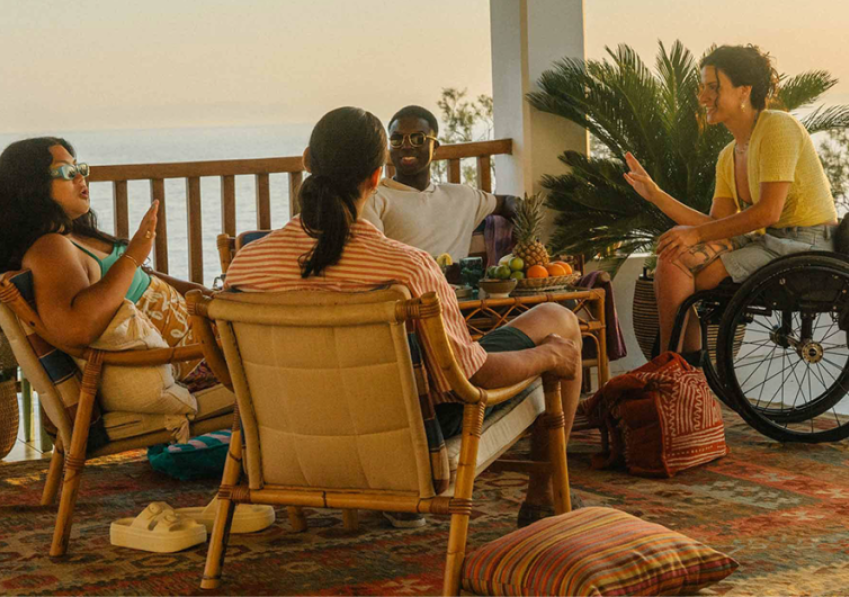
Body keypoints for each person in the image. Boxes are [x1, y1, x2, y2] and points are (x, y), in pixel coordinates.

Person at [224, 106, 581, 527]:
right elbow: (474, 376)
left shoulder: (247, 265)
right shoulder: (406, 269)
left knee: (549, 323)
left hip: (286, 443)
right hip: (401, 444)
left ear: (306, 161)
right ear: (378, 177)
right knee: (559, 321)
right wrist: (550, 358)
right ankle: (544, 497)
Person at [623, 45, 839, 357]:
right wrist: (656, 195)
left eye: (713, 87)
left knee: (703, 273)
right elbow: (716, 226)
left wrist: (695, 235)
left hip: (806, 243)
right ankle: (679, 366)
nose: (702, 98)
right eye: (702, 88)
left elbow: (767, 212)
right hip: (768, 242)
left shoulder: (778, 127)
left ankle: (672, 366)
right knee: (671, 259)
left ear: (743, 91)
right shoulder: (729, 155)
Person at [0, 137, 208, 379]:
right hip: (193, 362)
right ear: (32, 185)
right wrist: (132, 257)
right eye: (68, 171)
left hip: (202, 343)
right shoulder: (50, 249)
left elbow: (142, 280)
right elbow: (76, 328)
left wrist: (204, 296)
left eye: (79, 169)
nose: (80, 178)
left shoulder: (74, 234)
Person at [360, 105, 521, 263]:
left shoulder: (462, 196)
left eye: (418, 139)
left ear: (434, 147)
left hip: (456, 288)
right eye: (397, 139)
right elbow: (373, 260)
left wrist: (527, 236)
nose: (407, 146)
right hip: (403, 287)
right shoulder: (375, 198)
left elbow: (507, 202)